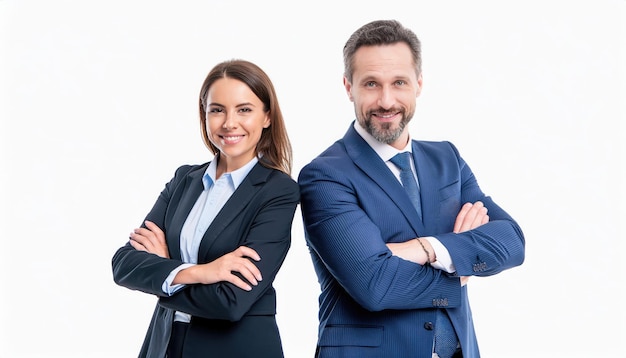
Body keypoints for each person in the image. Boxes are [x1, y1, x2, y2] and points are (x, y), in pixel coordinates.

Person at [298, 20, 525, 358]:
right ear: (349, 87)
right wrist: (459, 270)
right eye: (371, 84)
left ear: (418, 84)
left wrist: (426, 248)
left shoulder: (446, 158)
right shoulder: (324, 175)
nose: (386, 101)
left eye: (399, 82)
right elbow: (374, 285)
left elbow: (512, 241)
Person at [112, 59, 299, 358]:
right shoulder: (184, 180)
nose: (229, 122)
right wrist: (201, 272)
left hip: (234, 349)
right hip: (165, 344)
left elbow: (230, 301)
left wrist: (165, 271)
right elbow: (123, 265)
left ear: (267, 117)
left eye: (244, 109)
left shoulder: (278, 192)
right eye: (217, 110)